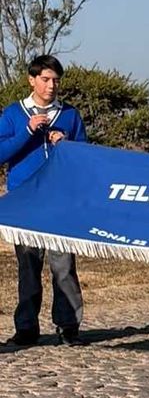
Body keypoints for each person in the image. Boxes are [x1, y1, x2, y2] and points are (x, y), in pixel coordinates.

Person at [0, 55, 88, 347]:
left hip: (60, 200)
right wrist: (26, 132)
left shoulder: (69, 115)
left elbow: (84, 155)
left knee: (63, 266)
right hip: (25, 201)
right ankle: (26, 327)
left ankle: (69, 325)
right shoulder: (14, 113)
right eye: (45, 79)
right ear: (32, 80)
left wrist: (67, 144)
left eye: (56, 81)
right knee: (28, 267)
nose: (51, 86)